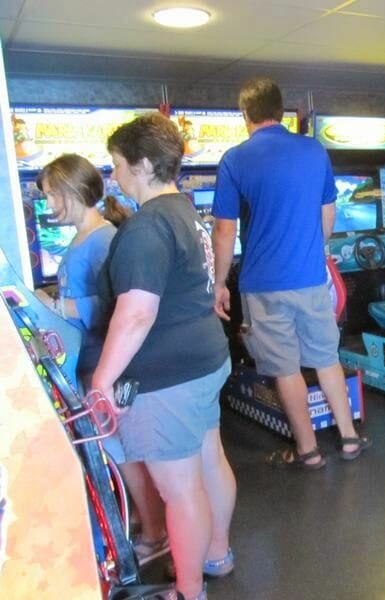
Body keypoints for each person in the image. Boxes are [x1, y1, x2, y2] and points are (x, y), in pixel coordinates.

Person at [92, 113, 237, 600]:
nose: (114, 176)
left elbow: (135, 314)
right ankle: (217, 553)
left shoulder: (146, 227)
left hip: (167, 377)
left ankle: (189, 592)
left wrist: (101, 383)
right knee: (209, 462)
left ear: (145, 164)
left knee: (180, 489)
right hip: (206, 359)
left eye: (117, 166)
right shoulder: (184, 210)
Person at [212, 77, 370, 469]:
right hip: (311, 278)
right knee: (326, 358)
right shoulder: (314, 150)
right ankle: (349, 438)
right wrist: (311, 249)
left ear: (245, 114)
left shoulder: (235, 159)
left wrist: (218, 283)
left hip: (262, 285)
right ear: (281, 112)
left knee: (285, 368)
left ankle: (308, 450)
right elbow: (327, 216)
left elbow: (224, 230)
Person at [33, 153, 168, 567]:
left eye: (52, 195)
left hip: (103, 361)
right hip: (88, 357)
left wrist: (58, 306)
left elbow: (113, 306)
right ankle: (150, 528)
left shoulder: (104, 239)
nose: (49, 204)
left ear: (73, 192)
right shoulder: (87, 237)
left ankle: (156, 533)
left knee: (125, 452)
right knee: (117, 451)